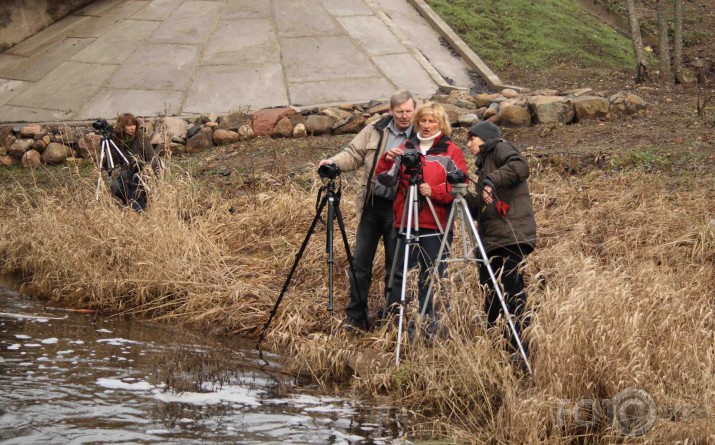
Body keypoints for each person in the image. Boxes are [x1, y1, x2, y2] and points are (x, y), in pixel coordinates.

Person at [318, 91, 416, 331]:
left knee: (396, 265)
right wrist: (332, 163)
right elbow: (353, 154)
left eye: (408, 111)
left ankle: (393, 318)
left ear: (414, 110)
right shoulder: (375, 129)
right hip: (372, 205)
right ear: (391, 111)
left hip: (400, 208)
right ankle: (356, 315)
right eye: (400, 111)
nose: (404, 116)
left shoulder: (421, 134)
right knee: (360, 263)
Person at [375, 102, 468, 333]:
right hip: (407, 221)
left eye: (431, 121)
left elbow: (461, 185)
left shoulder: (450, 150)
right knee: (402, 275)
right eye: (423, 121)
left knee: (434, 277)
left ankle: (432, 330)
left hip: (436, 224)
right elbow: (384, 179)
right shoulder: (407, 147)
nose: (426, 126)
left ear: (441, 123)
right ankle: (400, 327)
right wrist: (388, 159)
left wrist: (434, 191)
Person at [464, 121, 537, 359]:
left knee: (513, 291)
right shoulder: (483, 167)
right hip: (492, 239)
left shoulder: (500, 148)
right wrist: (461, 197)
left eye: (471, 138)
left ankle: (523, 347)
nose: (468, 144)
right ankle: (499, 348)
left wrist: (491, 181)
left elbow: (520, 166)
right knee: (490, 294)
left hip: (512, 235)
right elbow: (483, 210)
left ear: (483, 138)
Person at [108, 113, 161, 212]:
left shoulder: (142, 139)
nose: (132, 128)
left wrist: (143, 168)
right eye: (129, 125)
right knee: (115, 186)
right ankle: (132, 202)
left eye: (134, 124)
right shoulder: (117, 141)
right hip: (127, 176)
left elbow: (153, 160)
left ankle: (140, 209)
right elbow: (109, 165)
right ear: (122, 127)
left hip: (143, 173)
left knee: (125, 175)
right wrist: (107, 149)